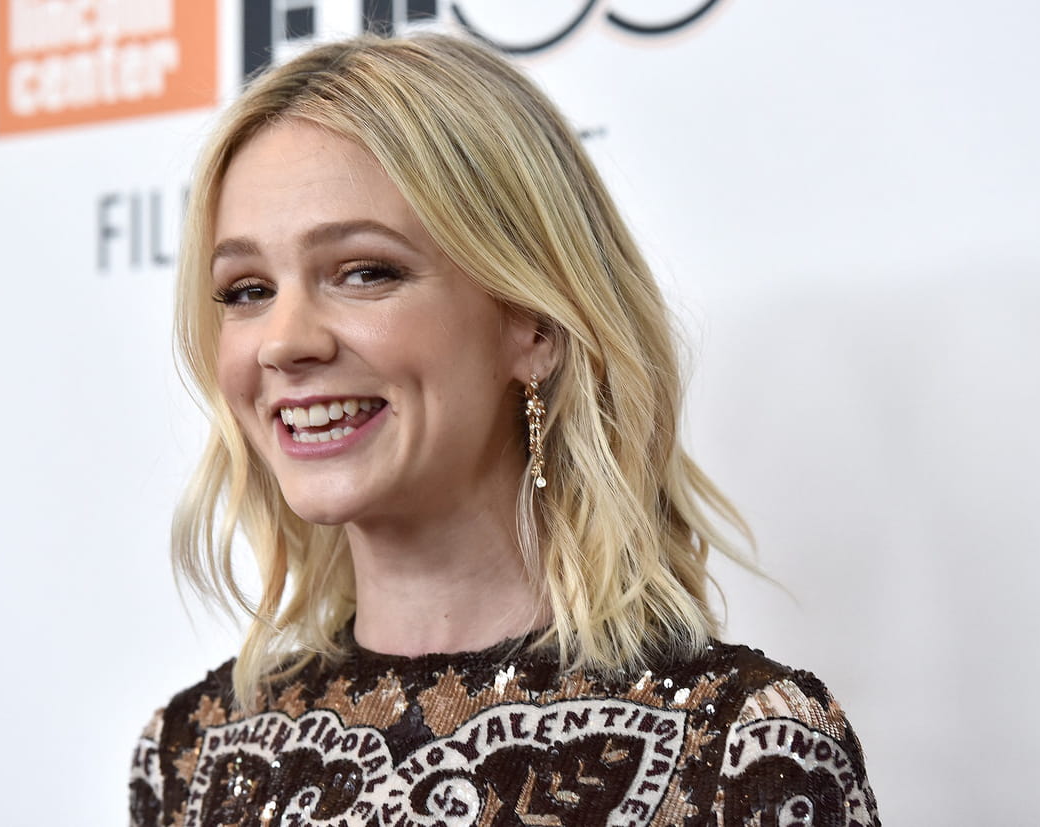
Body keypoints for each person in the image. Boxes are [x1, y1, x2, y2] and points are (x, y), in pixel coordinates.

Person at [130, 33, 879, 827]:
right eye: (247, 289)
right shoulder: (192, 758)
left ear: (533, 325)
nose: (283, 342)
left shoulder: (743, 754)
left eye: (365, 271)